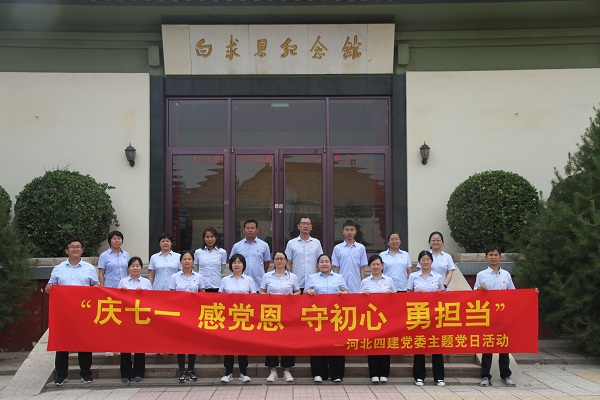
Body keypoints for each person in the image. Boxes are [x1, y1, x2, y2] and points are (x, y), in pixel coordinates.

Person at [45, 239, 99, 386]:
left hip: (83, 312)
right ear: (66, 250)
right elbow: (51, 287)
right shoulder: (59, 268)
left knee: (84, 343)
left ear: (82, 250)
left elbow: (95, 287)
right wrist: (49, 288)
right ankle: (61, 375)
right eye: (72, 247)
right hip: (64, 313)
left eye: (78, 247)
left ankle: (86, 373)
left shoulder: (89, 268)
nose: (75, 249)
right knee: (62, 343)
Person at [475, 245, 517, 387]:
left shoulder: (506, 275)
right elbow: (473, 296)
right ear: (486, 257)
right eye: (490, 255)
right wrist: (478, 290)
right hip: (487, 316)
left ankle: (505, 375)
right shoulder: (481, 275)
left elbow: (514, 294)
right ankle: (485, 376)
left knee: (504, 346)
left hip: (503, 316)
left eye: (496, 255)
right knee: (487, 347)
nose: (493, 257)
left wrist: (531, 294)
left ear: (500, 257)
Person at [305, 254, 349, 382]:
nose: (324, 264)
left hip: (335, 316)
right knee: (317, 343)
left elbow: (347, 291)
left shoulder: (339, 277)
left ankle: (337, 374)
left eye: (326, 261)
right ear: (317, 264)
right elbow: (305, 292)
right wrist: (308, 292)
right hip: (318, 316)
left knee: (336, 343)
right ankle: (318, 373)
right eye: (321, 262)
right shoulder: (312, 278)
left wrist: (342, 293)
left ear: (331, 263)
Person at [260, 251, 300, 382]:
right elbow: (261, 291)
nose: (279, 261)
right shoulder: (267, 276)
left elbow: (298, 291)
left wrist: (292, 296)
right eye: (276, 258)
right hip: (271, 313)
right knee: (271, 341)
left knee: (288, 340)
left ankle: (287, 370)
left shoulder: (292, 276)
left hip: (288, 313)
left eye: (281, 258)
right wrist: (267, 296)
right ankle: (273, 370)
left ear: (286, 261)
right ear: (273, 261)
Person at [407, 250, 445, 387]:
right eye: (423, 260)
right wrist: (417, 295)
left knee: (436, 346)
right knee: (420, 345)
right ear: (419, 262)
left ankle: (439, 377)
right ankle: (419, 376)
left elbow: (443, 295)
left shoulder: (438, 277)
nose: (425, 262)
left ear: (431, 261)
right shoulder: (413, 276)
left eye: (428, 259)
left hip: (435, 316)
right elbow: (408, 294)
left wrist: (438, 293)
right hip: (419, 315)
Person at [219, 254, 256, 383]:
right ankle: (228, 372)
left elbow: (255, 298)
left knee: (242, 345)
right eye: (234, 262)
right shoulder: (225, 280)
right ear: (231, 265)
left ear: (243, 265)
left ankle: (243, 372)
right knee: (228, 345)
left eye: (239, 262)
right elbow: (218, 298)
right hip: (229, 317)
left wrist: (247, 296)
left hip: (243, 316)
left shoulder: (249, 280)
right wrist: (227, 296)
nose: (237, 265)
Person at [169, 251, 205, 383]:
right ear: (181, 262)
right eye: (184, 259)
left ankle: (191, 370)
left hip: (194, 314)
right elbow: (171, 295)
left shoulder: (199, 277)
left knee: (192, 342)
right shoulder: (175, 277)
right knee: (180, 342)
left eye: (189, 259)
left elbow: (203, 294)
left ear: (193, 261)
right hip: (180, 314)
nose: (187, 261)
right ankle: (181, 370)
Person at [360, 254, 396, 383]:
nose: (376, 267)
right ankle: (374, 373)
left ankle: (384, 373)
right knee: (372, 345)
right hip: (371, 319)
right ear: (369, 267)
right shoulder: (365, 282)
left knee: (385, 344)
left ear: (382, 266)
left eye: (378, 264)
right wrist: (363, 295)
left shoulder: (389, 280)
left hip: (385, 318)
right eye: (373, 264)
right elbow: (358, 301)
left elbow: (396, 299)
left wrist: (391, 294)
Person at [118, 256, 152, 383]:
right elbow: (117, 300)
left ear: (141, 268)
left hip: (140, 318)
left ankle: (138, 373)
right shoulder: (122, 282)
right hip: (126, 318)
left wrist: (143, 293)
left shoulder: (146, 283)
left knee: (140, 345)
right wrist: (122, 292)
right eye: (132, 266)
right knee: (125, 346)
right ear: (128, 268)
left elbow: (152, 299)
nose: (135, 268)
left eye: (137, 265)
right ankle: (125, 374)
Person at [97, 230, 130, 357]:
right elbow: (101, 274)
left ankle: (121, 345)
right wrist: (102, 288)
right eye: (114, 238)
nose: (117, 240)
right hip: (110, 290)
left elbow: (129, 272)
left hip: (124, 290)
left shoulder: (126, 255)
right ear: (110, 241)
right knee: (110, 318)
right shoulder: (104, 255)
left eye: (119, 238)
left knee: (122, 318)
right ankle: (109, 346)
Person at [284, 216, 323, 292]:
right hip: (297, 282)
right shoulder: (291, 243)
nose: (305, 226)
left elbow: (320, 262)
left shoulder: (317, 243)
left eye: (308, 224)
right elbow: (288, 263)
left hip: (313, 282)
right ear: (298, 226)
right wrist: (291, 277)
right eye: (303, 223)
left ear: (311, 227)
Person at [230, 219, 271, 289]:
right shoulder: (237, 246)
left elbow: (266, 263)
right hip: (241, 285)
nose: (250, 230)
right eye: (247, 228)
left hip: (258, 283)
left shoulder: (264, 245)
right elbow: (232, 262)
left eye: (252, 228)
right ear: (244, 230)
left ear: (257, 230)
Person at [331, 220, 368, 293]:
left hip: (356, 284)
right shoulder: (337, 248)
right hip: (342, 285)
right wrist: (335, 284)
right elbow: (336, 268)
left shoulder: (361, 248)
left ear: (355, 231)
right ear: (343, 231)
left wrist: (363, 284)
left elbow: (362, 268)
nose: (349, 232)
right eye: (347, 230)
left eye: (352, 230)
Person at [194, 227, 227, 292]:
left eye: (212, 237)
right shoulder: (198, 252)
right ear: (204, 238)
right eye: (207, 237)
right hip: (202, 286)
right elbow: (196, 268)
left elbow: (222, 268)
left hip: (217, 285)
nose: (210, 239)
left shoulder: (222, 252)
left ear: (216, 238)